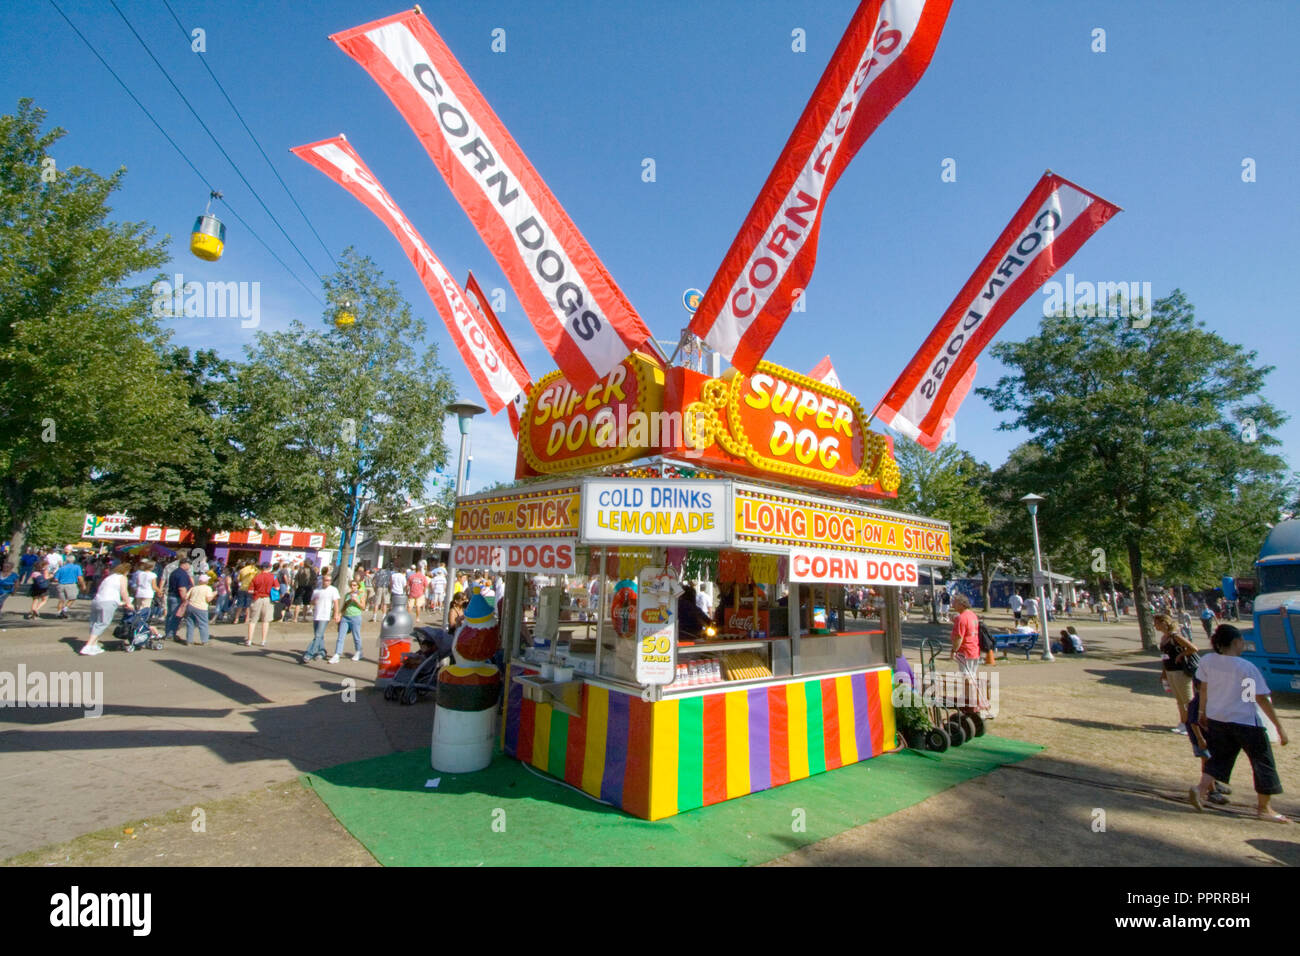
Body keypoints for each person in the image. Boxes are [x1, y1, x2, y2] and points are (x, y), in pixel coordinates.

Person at [1189, 625, 1290, 822]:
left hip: (1217, 717)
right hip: (1245, 721)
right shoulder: (1246, 667)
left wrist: (1202, 712)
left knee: (1219, 758)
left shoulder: (1208, 661)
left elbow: (1203, 688)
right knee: (1263, 763)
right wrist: (1279, 727)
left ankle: (1200, 789)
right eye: (1242, 641)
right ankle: (1264, 808)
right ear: (1236, 642)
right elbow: (1259, 698)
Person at [1156, 613, 1198, 734]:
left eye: (1157, 623)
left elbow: (1193, 648)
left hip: (1180, 671)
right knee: (1179, 700)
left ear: (1164, 622)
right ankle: (1183, 723)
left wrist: (1181, 655)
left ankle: (1193, 725)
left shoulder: (1175, 637)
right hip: (1170, 671)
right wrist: (1164, 673)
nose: (1155, 626)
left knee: (1188, 699)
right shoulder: (1164, 638)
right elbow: (1164, 657)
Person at [81, 562, 131, 656]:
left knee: (94, 622)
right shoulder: (122, 578)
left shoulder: (109, 577)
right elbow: (124, 591)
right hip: (108, 601)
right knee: (102, 623)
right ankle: (89, 645)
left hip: (97, 600)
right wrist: (128, 602)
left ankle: (94, 645)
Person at [949, 593, 985, 715]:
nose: (953, 604)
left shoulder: (962, 617)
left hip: (965, 651)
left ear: (961, 603)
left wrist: (954, 650)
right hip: (974, 650)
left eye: (954, 602)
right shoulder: (972, 615)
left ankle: (973, 702)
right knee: (971, 675)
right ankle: (973, 701)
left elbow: (959, 637)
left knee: (967, 677)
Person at [303, 570, 340, 663]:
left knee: (318, 636)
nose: (327, 582)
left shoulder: (333, 590)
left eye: (329, 580)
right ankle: (322, 651)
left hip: (325, 616)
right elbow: (311, 601)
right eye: (326, 580)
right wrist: (313, 602)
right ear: (322, 580)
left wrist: (336, 613)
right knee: (319, 636)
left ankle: (309, 653)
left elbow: (336, 602)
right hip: (317, 615)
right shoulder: (317, 590)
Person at [329, 578, 366, 664]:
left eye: (354, 585)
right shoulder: (348, 595)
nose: (353, 587)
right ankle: (337, 654)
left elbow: (363, 607)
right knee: (340, 636)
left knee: (356, 636)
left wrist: (357, 601)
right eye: (351, 585)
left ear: (358, 586)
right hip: (346, 617)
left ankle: (359, 651)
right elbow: (344, 607)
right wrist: (339, 614)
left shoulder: (361, 594)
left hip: (355, 617)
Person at [245, 562, 277, 647]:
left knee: (253, 620)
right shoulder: (273, 577)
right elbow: (277, 587)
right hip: (267, 599)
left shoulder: (256, 577)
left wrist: (256, 591)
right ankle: (263, 640)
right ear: (269, 568)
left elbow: (250, 590)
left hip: (256, 598)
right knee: (266, 621)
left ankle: (249, 640)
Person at [180, 571, 214, 646]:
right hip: (201, 607)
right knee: (203, 624)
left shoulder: (194, 588)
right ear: (206, 581)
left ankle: (189, 640)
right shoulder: (208, 588)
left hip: (191, 606)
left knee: (190, 623)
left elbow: (186, 597)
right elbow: (208, 599)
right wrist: (214, 595)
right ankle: (205, 640)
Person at [165, 557, 193, 643]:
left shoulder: (175, 572)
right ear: (184, 564)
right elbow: (182, 588)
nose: (189, 566)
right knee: (175, 616)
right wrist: (184, 599)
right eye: (189, 564)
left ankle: (169, 633)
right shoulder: (182, 574)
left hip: (171, 595)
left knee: (170, 616)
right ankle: (171, 634)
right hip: (177, 597)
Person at [53, 555, 85, 619]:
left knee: (61, 600)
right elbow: (79, 577)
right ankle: (64, 610)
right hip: (71, 585)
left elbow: (56, 579)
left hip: (61, 585)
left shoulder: (62, 568)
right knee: (72, 598)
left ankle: (58, 613)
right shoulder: (77, 567)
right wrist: (83, 585)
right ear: (73, 560)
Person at [0, 563, 18, 627]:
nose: (5, 568)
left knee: (0, 601)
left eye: (7, 567)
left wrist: (14, 591)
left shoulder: (14, 575)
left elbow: (16, 584)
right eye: (4, 566)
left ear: (11, 568)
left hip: (6, 591)